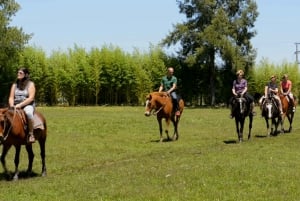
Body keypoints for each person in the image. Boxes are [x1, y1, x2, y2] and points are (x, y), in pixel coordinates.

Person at [8, 67, 36, 143]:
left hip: (27, 105)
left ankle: (31, 134)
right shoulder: (14, 85)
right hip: (15, 105)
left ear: (26, 74)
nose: (18, 74)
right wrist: (11, 105)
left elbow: (31, 98)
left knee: (29, 113)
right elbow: (11, 97)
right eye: (18, 72)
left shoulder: (30, 84)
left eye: (20, 73)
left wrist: (20, 105)